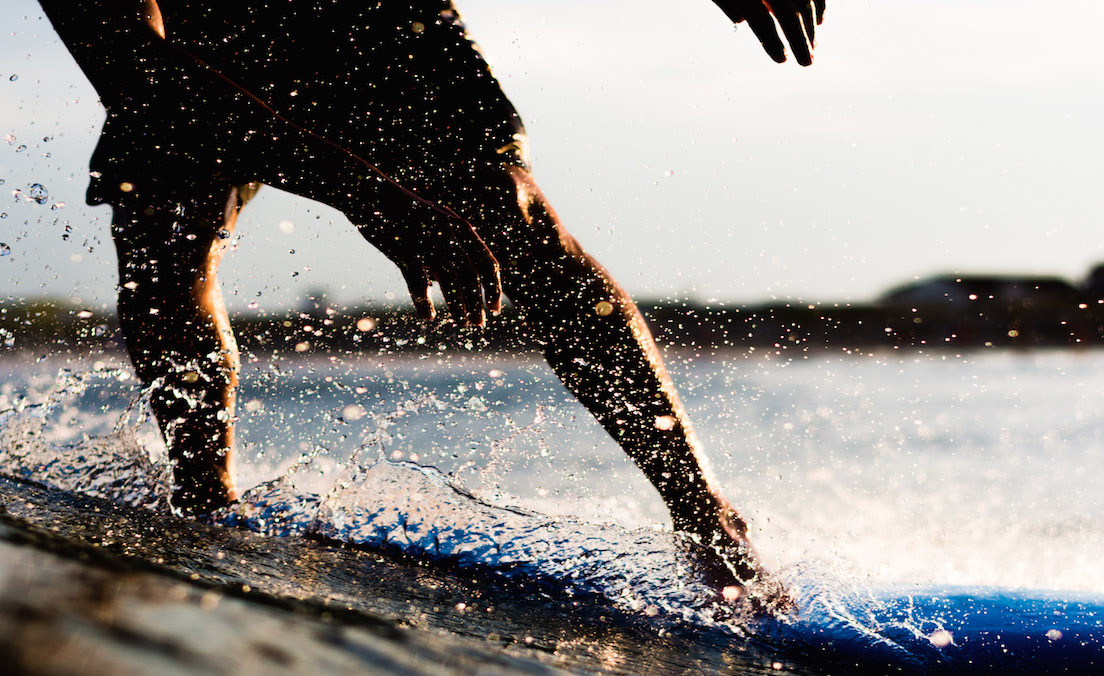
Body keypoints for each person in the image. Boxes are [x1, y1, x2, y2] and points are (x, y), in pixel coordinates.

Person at [36, 0, 826, 594]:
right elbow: (142, 74)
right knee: (166, 230)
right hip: (193, 46)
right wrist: (371, 195)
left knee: (507, 207)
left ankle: (705, 514)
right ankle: (205, 502)